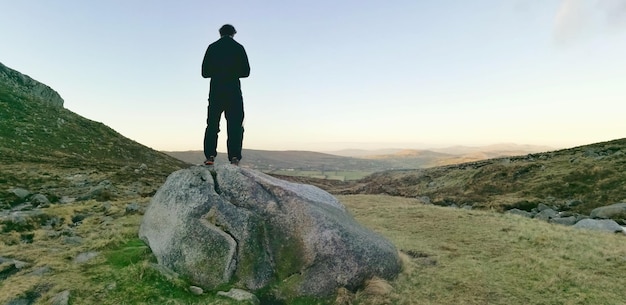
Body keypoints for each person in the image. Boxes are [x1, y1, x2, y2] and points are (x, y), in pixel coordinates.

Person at [201, 24, 250, 166]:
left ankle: (210, 156)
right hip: (233, 91)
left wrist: (217, 72)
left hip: (216, 90)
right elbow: (246, 72)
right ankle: (234, 157)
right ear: (234, 33)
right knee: (235, 125)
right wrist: (233, 71)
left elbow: (204, 73)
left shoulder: (212, 47)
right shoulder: (239, 48)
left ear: (220, 33)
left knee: (212, 125)